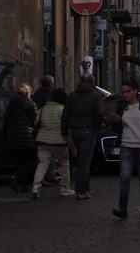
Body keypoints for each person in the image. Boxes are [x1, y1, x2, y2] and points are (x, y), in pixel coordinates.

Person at [111, 78, 140, 219]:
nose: (125, 94)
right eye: (123, 92)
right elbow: (116, 128)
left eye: (128, 91)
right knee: (124, 178)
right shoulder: (121, 107)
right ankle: (122, 208)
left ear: (135, 91)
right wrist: (115, 122)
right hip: (126, 146)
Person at [61, 72, 104, 200]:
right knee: (84, 161)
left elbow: (65, 115)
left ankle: (86, 189)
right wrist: (96, 127)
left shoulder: (72, 96)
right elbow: (100, 113)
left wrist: (64, 132)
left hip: (74, 130)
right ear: (91, 83)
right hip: (88, 130)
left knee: (80, 160)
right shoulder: (96, 96)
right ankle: (80, 191)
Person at [31, 87, 74, 199]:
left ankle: (36, 187)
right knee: (64, 164)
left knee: (42, 164)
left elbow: (36, 122)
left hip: (43, 141)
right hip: (59, 142)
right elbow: (67, 125)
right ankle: (65, 188)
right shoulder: (63, 109)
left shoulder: (43, 108)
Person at [3, 84, 39, 192]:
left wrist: (6, 136)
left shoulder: (10, 106)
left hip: (13, 137)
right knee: (32, 160)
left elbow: (6, 123)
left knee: (21, 161)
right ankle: (16, 177)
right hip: (27, 136)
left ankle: (22, 185)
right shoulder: (30, 104)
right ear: (28, 93)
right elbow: (36, 121)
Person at [32, 75, 58, 185]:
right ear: (50, 84)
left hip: (39, 128)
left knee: (42, 154)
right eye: (53, 82)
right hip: (48, 128)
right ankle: (50, 176)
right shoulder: (50, 97)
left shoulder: (36, 95)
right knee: (50, 153)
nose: (54, 84)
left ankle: (40, 179)